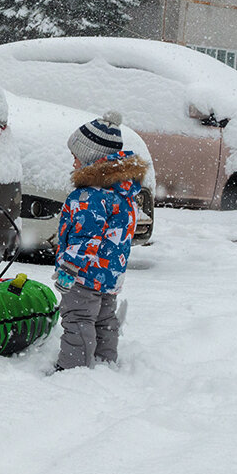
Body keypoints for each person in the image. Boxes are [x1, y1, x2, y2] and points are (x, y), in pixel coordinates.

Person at [53, 111, 149, 371]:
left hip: (84, 274)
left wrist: (68, 269)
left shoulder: (89, 196)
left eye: (76, 157)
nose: (73, 163)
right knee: (104, 319)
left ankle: (73, 370)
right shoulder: (123, 191)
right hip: (110, 273)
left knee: (78, 319)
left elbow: (86, 238)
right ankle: (105, 363)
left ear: (90, 159)